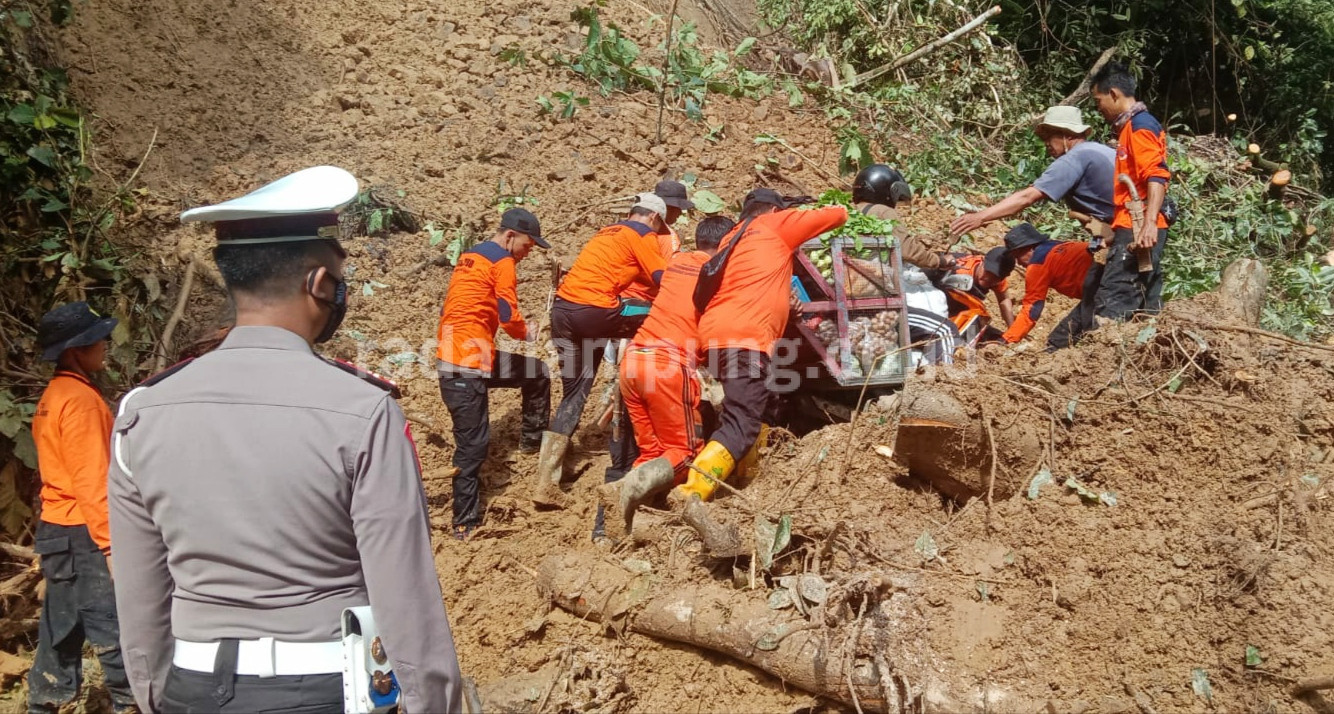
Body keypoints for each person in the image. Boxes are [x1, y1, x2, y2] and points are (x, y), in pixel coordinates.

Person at [107, 166, 463, 713]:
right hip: (321, 687)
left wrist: (156, 693)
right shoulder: (362, 411)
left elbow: (139, 592)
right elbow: (404, 595)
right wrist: (430, 702)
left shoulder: (142, 412)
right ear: (319, 282)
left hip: (192, 685)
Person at [682, 189, 848, 502]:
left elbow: (754, 281)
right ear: (773, 210)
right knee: (741, 423)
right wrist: (804, 211)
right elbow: (838, 215)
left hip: (716, 336)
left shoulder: (731, 238)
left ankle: (746, 486)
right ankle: (691, 493)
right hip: (744, 338)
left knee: (749, 411)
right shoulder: (772, 225)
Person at [27, 302, 135, 714]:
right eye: (98, 339)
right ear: (76, 350)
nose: (105, 345)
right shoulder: (81, 401)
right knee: (112, 628)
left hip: (57, 530)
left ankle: (43, 704)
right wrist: (110, 548)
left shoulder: (52, 397)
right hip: (83, 532)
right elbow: (93, 480)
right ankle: (131, 703)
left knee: (61, 630)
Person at [598, 216, 734, 537]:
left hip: (633, 361)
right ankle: (627, 487)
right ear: (727, 242)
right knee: (685, 455)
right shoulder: (719, 273)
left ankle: (625, 528)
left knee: (652, 452)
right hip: (668, 366)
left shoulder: (677, 262)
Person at [535, 193, 671, 507]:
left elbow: (625, 273)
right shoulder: (643, 234)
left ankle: (546, 481)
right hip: (593, 312)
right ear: (654, 218)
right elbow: (663, 280)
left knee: (574, 393)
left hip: (563, 313)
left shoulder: (608, 232)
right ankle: (631, 417)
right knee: (653, 312)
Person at [436, 207, 552, 540]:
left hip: (467, 353)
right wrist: (525, 332)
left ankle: (531, 443)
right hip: (464, 366)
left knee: (536, 372)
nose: (528, 253)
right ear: (510, 236)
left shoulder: (471, 257)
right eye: (528, 245)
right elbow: (506, 312)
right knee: (473, 447)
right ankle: (464, 522)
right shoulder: (502, 262)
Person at [949, 106, 1117, 239]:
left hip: (1123, 231)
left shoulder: (1074, 158)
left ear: (1068, 135)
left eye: (1049, 138)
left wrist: (980, 217)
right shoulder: (1099, 150)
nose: (1046, 144)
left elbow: (1027, 197)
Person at [1091, 62, 1172, 319]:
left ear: (1114, 94)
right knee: (1146, 302)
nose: (1099, 107)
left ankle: (1106, 354)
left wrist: (1148, 223)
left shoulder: (1140, 127)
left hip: (1138, 226)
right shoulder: (1131, 127)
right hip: (1135, 224)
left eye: (1099, 100)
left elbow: (1157, 174)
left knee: (1114, 298)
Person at [1000, 223, 1103, 350]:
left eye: (1017, 257)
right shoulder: (1059, 245)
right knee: (1059, 340)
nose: (1019, 263)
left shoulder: (1037, 264)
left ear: (1029, 249)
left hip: (1100, 288)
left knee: (1093, 334)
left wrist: (1008, 338)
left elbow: (1032, 308)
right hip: (1099, 287)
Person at [852, 164, 952, 270]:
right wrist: (939, 261)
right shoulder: (883, 212)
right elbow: (907, 249)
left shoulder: (848, 211)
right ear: (886, 191)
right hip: (878, 278)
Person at [620, 179, 692, 302]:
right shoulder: (668, 237)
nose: (680, 213)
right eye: (676, 208)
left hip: (615, 295)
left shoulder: (623, 228)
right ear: (664, 208)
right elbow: (668, 278)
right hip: (642, 299)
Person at [938, 246, 1015, 339]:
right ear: (982, 261)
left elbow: (1004, 299)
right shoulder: (959, 269)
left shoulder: (999, 278)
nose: (989, 278)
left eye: (995, 277)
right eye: (988, 272)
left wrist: (1012, 328)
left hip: (966, 308)